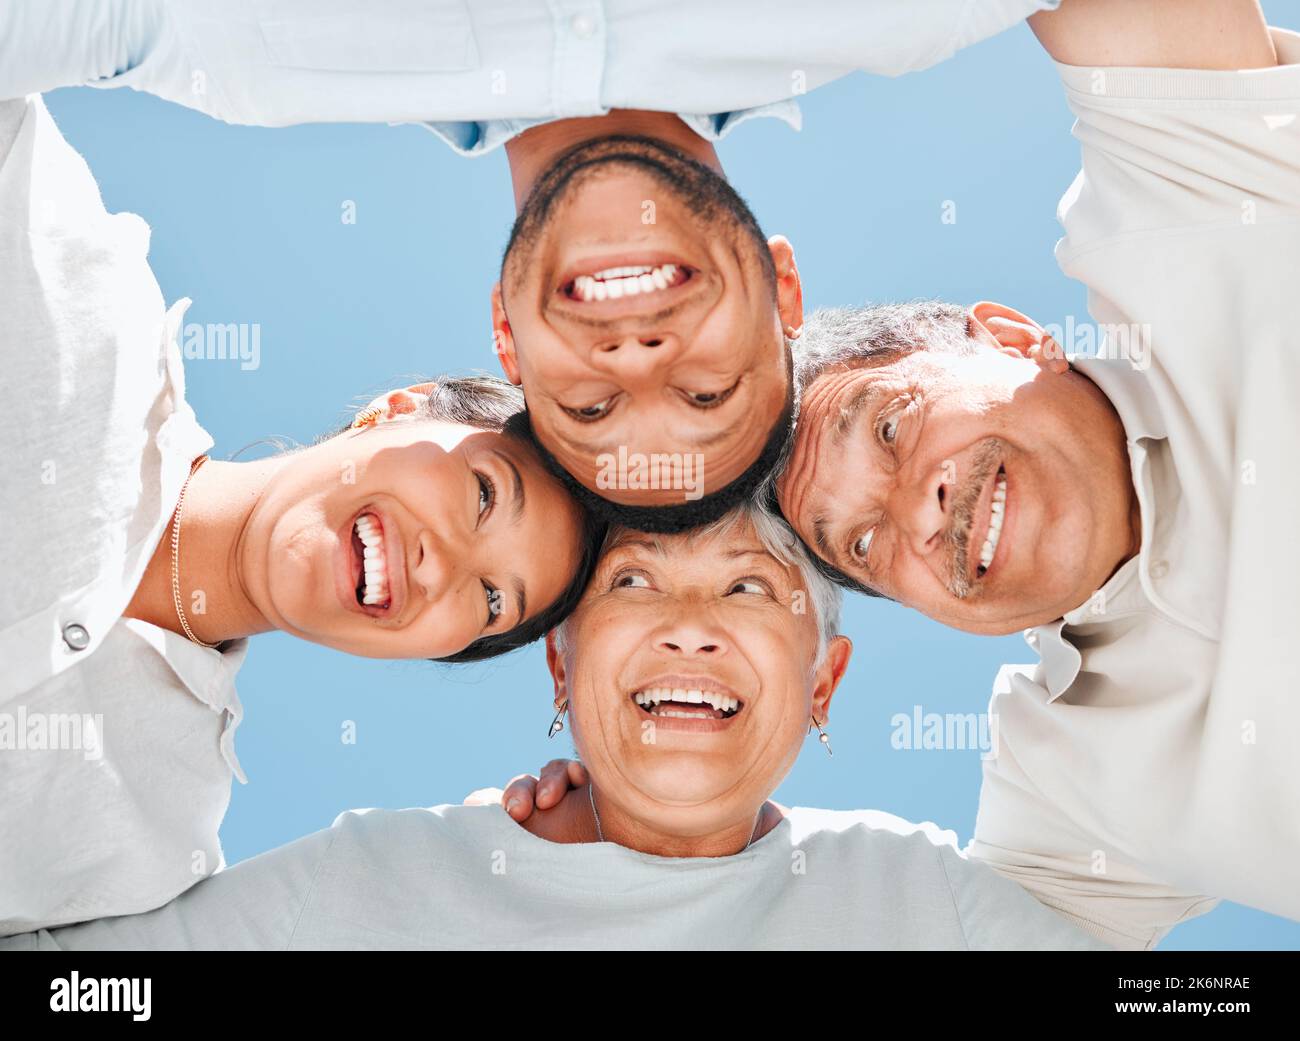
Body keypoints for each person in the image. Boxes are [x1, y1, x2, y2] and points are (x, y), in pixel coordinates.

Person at [0, 0, 1059, 526]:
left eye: (590, 407)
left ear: (508, 334)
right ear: (785, 289)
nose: (636, 356)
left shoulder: (238, 54)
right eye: (705, 388)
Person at [0, 91, 604, 936]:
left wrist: (470, 889)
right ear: (398, 410)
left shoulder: (154, 855)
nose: (444, 565)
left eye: (491, 602)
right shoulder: (59, 265)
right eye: (483, 494)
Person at [772, 1, 1300, 946]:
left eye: (891, 426)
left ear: (1015, 339)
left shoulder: (1193, 214)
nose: (918, 516)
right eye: (863, 544)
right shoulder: (1066, 797)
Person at [0, 502, 1105, 950]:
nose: (687, 630)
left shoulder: (916, 898)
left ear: (825, 683)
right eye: (630, 584)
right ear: (561, 664)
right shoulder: (380, 876)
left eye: (750, 592)